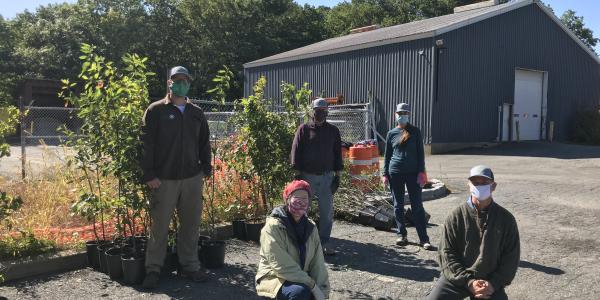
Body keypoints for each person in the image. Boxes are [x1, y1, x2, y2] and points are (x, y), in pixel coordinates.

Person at [140, 66, 212, 289]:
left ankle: (190, 266)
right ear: (169, 83)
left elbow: (204, 143)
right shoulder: (156, 111)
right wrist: (149, 174)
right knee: (159, 227)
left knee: (190, 226)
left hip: (191, 178)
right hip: (164, 180)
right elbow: (146, 145)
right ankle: (153, 269)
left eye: (185, 80)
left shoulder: (196, 113)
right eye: (177, 80)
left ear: (189, 83)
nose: (182, 83)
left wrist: (205, 168)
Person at [426, 165, 520, 300]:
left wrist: (494, 284)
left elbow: (511, 258)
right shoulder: (456, 216)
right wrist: (469, 282)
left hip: (490, 280)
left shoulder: (506, 219)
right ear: (469, 185)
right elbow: (446, 253)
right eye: (476, 182)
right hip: (459, 277)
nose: (479, 186)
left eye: (485, 183)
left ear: (493, 186)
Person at [256, 180, 330, 300]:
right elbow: (281, 265)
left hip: (300, 277)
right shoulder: (273, 227)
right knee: (300, 293)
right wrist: (312, 285)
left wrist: (323, 291)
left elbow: (318, 263)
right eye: (296, 197)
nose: (301, 201)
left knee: (314, 294)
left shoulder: (311, 227)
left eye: (305, 198)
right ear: (287, 199)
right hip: (274, 277)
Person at [290, 98, 342, 256]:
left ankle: (324, 242)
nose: (320, 114)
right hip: (307, 177)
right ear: (312, 111)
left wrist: (337, 175)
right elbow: (296, 151)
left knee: (326, 212)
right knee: (302, 210)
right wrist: (297, 175)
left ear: (327, 112)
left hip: (326, 178)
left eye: (323, 111)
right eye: (317, 111)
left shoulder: (333, 131)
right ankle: (302, 243)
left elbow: (337, 154)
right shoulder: (304, 129)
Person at [382, 103, 432, 250]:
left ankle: (424, 239)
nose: (402, 115)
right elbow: (387, 156)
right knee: (398, 205)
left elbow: (420, 154)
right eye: (400, 112)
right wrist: (385, 174)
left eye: (405, 113)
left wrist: (421, 172)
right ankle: (401, 234)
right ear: (395, 115)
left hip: (413, 174)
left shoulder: (415, 132)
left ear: (409, 115)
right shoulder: (391, 133)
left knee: (417, 206)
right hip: (395, 173)